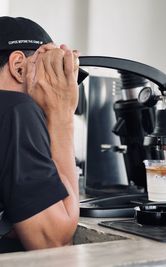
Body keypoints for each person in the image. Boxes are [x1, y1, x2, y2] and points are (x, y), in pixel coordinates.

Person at [0, 16, 87, 252]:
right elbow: (53, 241)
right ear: (19, 67)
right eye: (54, 71)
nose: (61, 83)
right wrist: (61, 114)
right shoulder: (16, 107)